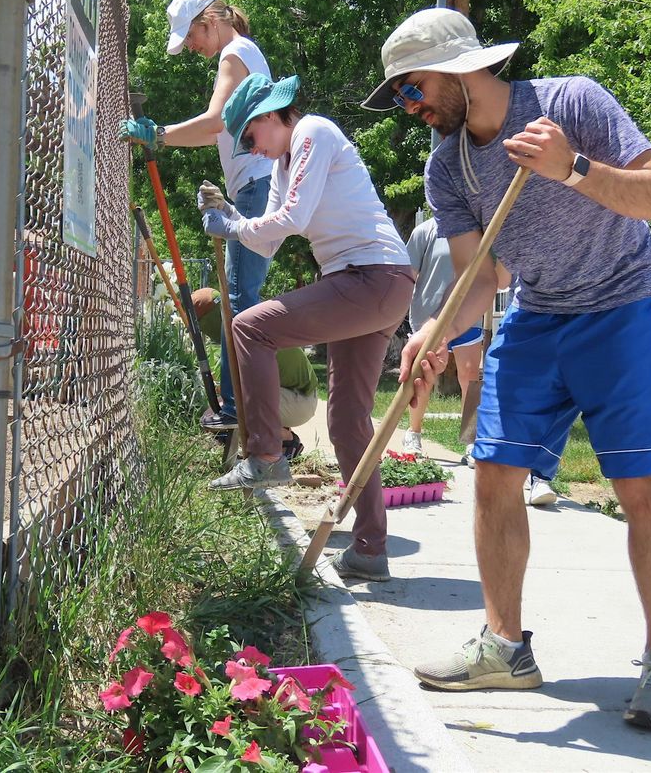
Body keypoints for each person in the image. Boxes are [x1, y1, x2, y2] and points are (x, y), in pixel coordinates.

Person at [364, 7, 651, 730]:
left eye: (412, 87)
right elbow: (476, 277)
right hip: (538, 311)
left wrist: (572, 168)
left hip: (623, 306)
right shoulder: (447, 165)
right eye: (401, 95)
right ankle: (505, 647)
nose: (409, 106)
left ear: (460, 68)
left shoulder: (572, 102)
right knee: (492, 471)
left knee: (638, 485)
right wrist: (429, 332)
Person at [199, 72, 447, 583]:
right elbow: (268, 241)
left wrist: (234, 226)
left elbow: (291, 218)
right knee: (347, 422)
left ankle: (266, 453)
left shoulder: (314, 131)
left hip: (372, 276)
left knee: (250, 328)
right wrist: (228, 216)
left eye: (250, 137)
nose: (253, 149)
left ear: (271, 116)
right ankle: (370, 551)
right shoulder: (286, 162)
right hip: (367, 284)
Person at [118, 0, 273, 432]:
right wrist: (163, 137)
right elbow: (215, 133)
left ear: (209, 21)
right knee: (242, 299)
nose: (190, 47)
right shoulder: (245, 54)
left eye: (190, 36)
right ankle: (245, 411)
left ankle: (236, 411)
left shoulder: (235, 54)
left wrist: (158, 134)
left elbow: (215, 121)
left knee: (241, 302)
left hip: (254, 188)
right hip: (255, 186)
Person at [190, 287, 315, 459]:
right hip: (294, 395)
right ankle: (277, 437)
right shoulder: (251, 320)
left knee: (229, 410)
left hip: (300, 400)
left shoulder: (243, 335)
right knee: (222, 408)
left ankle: (287, 441)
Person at [401, 215, 484, 459]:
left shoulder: (477, 228)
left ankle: (471, 440)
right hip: (428, 319)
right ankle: (413, 434)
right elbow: (409, 275)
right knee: (422, 376)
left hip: (468, 314)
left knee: (469, 375)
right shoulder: (425, 231)